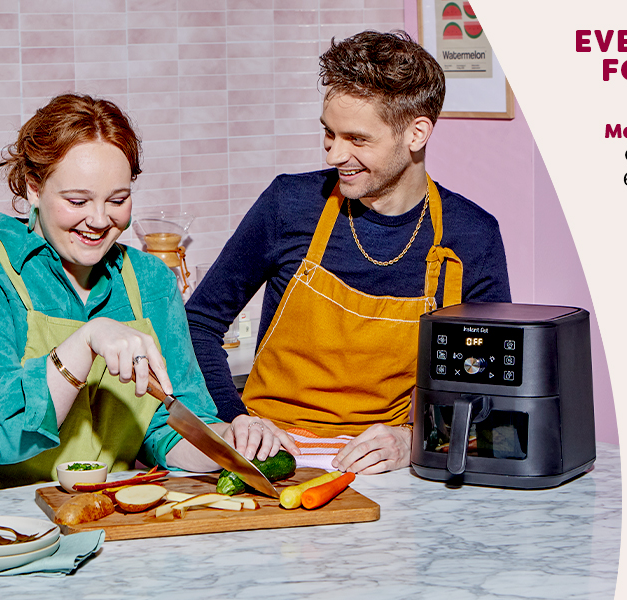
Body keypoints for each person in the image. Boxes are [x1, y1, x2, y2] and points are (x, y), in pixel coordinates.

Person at [186, 31, 511, 475]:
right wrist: (236, 419)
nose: (336, 154)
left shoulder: (473, 235)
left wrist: (416, 437)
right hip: (268, 459)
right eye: (328, 133)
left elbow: (490, 382)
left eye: (357, 139)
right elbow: (199, 322)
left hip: (391, 467)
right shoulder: (289, 205)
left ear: (416, 133)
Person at [0, 93, 288, 490]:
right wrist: (86, 342)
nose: (99, 220)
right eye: (77, 200)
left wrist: (229, 440)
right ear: (33, 187)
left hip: (105, 514)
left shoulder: (150, 280)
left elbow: (167, 428)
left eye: (118, 199)